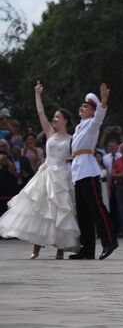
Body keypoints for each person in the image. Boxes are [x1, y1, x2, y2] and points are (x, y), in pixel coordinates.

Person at [0, 81, 79, 258]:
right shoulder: (50, 132)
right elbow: (40, 113)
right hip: (45, 174)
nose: (55, 119)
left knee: (60, 212)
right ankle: (36, 248)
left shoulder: (72, 138)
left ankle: (60, 249)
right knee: (39, 209)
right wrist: (37, 94)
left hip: (62, 176)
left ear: (66, 120)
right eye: (55, 117)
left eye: (58, 117)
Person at [69, 84, 118, 260]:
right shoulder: (79, 126)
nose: (82, 108)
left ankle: (110, 241)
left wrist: (103, 102)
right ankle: (87, 249)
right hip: (78, 169)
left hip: (88, 169)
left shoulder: (92, 124)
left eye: (86, 106)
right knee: (83, 212)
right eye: (81, 106)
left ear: (92, 110)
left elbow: (99, 117)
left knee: (97, 207)